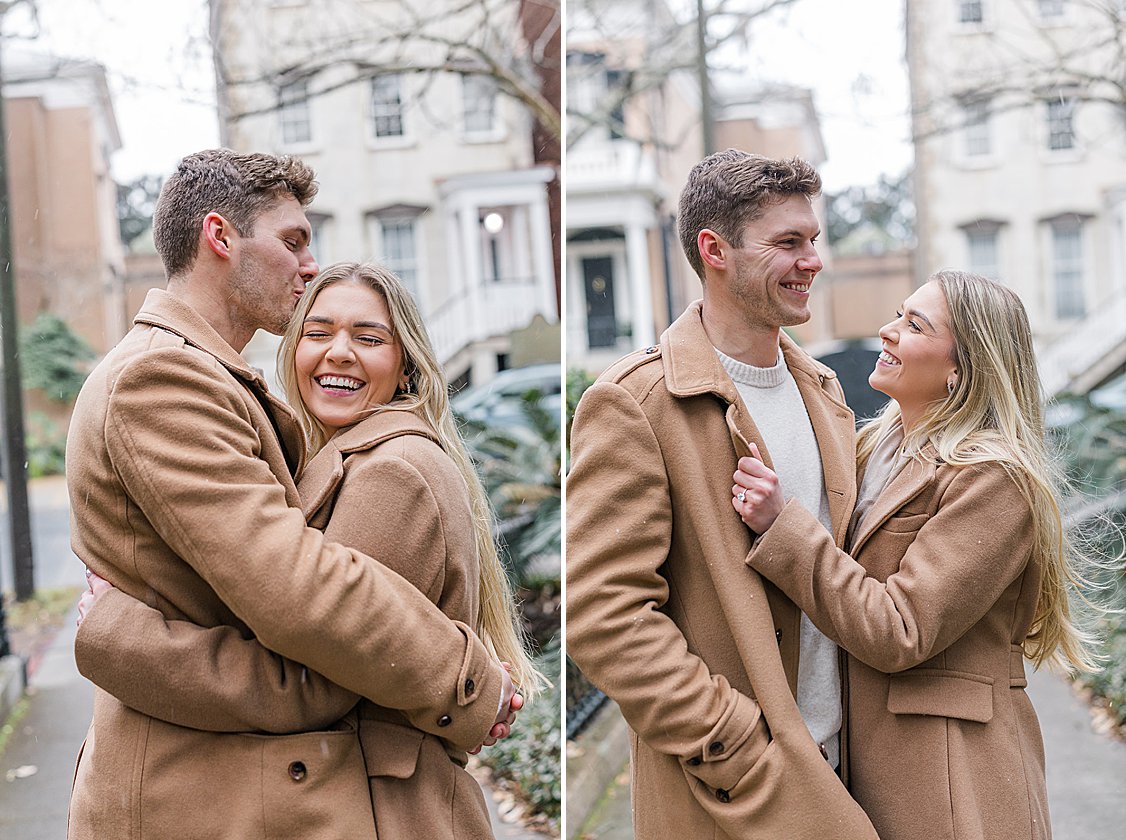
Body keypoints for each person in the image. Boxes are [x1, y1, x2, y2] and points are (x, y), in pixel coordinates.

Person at [66, 150, 518, 840]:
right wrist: (469, 680)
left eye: (368, 337)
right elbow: (299, 589)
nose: (309, 265)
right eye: (293, 241)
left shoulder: (227, 386)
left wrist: (116, 633)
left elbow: (305, 628)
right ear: (220, 237)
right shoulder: (163, 378)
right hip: (186, 794)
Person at [566, 150, 877, 839]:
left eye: (813, 240)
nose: (812, 261)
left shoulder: (825, 392)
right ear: (715, 251)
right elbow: (604, 617)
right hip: (734, 796)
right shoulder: (635, 402)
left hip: (848, 769)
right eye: (788, 242)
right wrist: (740, 751)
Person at [731, 269, 1099, 840]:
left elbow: (900, 630)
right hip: (866, 765)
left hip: (951, 780)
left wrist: (783, 528)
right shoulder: (867, 450)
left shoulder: (994, 479)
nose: (888, 330)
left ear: (961, 369)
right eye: (898, 314)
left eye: (915, 325)